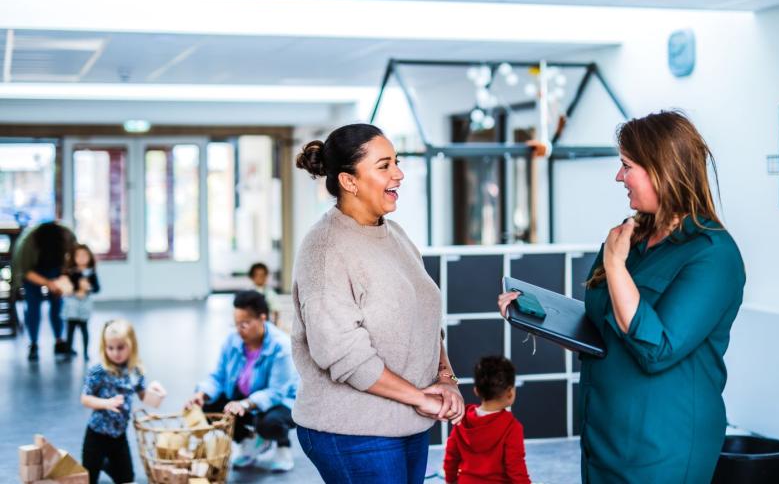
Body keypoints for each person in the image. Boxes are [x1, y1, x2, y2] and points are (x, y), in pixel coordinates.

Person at [499, 110, 746, 483]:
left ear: (662, 169)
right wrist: (537, 317)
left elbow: (656, 350)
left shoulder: (712, 254)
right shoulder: (628, 237)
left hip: (662, 445)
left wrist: (615, 266)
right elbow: (603, 326)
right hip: (603, 437)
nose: (619, 177)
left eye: (627, 166)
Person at [292, 123, 465, 484]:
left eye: (396, 162)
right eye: (384, 165)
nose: (399, 174)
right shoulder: (325, 249)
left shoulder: (394, 233)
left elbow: (425, 321)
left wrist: (445, 379)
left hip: (409, 422)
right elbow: (342, 355)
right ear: (349, 181)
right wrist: (420, 396)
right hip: (353, 431)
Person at [186, 290, 298, 471]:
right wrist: (202, 394)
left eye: (245, 323)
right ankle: (251, 442)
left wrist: (246, 404)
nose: (240, 329)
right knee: (209, 407)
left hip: (282, 402)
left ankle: (282, 446)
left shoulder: (281, 346)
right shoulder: (232, 340)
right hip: (247, 398)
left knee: (270, 422)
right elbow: (219, 376)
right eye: (237, 323)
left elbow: (277, 392)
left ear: (262, 319)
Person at [80, 319, 154, 484]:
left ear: (131, 345)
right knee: (88, 478)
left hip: (119, 435)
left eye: (120, 348)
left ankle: (106, 464)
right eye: (110, 348)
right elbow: (85, 398)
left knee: (127, 479)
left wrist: (157, 393)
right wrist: (107, 403)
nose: (115, 353)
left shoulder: (135, 370)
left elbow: (144, 396)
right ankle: (101, 463)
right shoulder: (98, 370)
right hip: (96, 434)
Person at [443, 356, 531, 484]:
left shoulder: (461, 419)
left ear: (476, 391)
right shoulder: (512, 427)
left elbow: (451, 459)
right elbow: (516, 470)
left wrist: (451, 481)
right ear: (510, 392)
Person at [11, 221, 76, 361]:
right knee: (33, 307)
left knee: (58, 305)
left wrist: (61, 282)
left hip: (56, 268)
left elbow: (72, 263)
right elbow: (26, 271)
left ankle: (59, 341)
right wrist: (48, 283)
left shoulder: (68, 237)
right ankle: (33, 344)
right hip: (33, 270)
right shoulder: (27, 244)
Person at [62, 243, 100, 360]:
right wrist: (74, 290)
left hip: (84, 306)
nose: (82, 258)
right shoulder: (70, 272)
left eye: (85, 255)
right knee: (70, 330)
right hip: (72, 305)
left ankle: (85, 353)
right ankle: (68, 352)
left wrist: (89, 288)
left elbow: (97, 288)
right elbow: (67, 286)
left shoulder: (91, 273)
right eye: (78, 256)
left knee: (84, 329)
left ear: (89, 257)